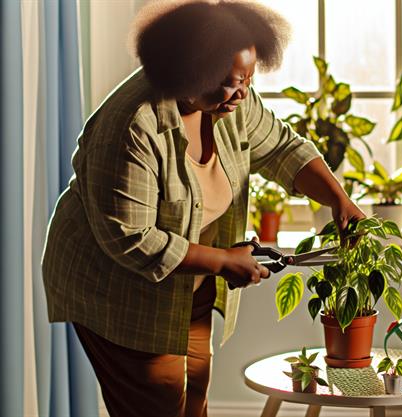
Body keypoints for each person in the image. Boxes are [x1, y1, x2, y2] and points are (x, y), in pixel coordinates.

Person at [41, 1, 365, 416]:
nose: (243, 92)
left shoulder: (231, 102)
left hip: (189, 282)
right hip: (119, 291)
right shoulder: (132, 127)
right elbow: (131, 239)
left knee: (194, 396)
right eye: (232, 83)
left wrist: (340, 200)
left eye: (248, 78)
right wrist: (222, 260)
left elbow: (282, 148)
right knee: (157, 402)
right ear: (189, 74)